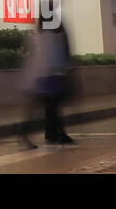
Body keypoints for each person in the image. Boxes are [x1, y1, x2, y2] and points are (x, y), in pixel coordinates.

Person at [18, 12, 74, 147]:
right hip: (46, 78)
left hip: (40, 78)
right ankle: (26, 134)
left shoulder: (38, 35)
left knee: (48, 108)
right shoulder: (51, 37)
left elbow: (32, 57)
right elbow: (52, 59)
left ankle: (55, 133)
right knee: (47, 108)